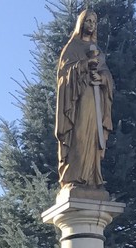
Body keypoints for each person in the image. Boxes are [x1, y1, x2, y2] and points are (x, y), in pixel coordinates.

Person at [54, 8, 114, 189]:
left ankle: (92, 178)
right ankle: (74, 177)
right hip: (78, 101)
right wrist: (84, 65)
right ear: (81, 23)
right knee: (79, 135)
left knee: (94, 139)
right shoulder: (71, 48)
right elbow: (63, 77)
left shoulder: (98, 52)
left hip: (96, 101)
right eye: (88, 21)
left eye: (94, 22)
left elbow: (108, 77)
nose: (91, 25)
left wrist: (102, 78)